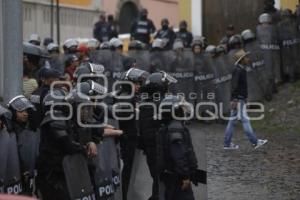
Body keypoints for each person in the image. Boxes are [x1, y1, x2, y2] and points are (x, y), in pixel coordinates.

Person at [139, 72, 177, 200]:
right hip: (157, 150)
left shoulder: (147, 103)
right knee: (161, 181)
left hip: (153, 149)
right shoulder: (159, 105)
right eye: (166, 85)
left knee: (159, 181)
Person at [224, 49, 268, 150]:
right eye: (246, 58)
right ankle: (255, 142)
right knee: (245, 121)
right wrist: (235, 99)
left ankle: (227, 143)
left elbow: (240, 86)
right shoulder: (238, 70)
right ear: (241, 59)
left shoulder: (240, 69)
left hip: (239, 99)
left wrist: (243, 98)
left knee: (232, 122)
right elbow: (234, 86)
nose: (248, 59)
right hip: (239, 100)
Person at [158, 95, 200, 200]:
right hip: (178, 178)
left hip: (174, 175)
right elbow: (179, 155)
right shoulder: (175, 129)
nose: (184, 110)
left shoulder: (171, 126)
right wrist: (185, 176)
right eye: (182, 107)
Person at [7, 95, 38, 196]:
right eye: (21, 111)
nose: (25, 114)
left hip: (30, 176)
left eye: (26, 111)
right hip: (14, 178)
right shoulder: (10, 133)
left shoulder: (31, 130)